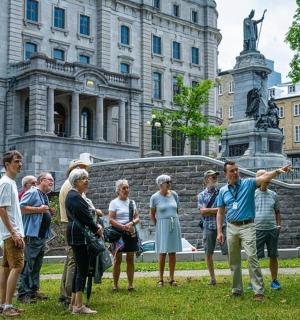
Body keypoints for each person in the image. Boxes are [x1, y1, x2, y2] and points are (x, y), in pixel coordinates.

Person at [216, 161, 291, 301]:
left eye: (237, 170)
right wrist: (220, 231)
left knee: (252, 257)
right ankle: (237, 289)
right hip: (231, 227)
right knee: (234, 260)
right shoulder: (222, 191)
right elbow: (220, 212)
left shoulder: (248, 183)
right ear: (226, 174)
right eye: (232, 171)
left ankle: (258, 291)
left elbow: (264, 178)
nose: (235, 173)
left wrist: (279, 171)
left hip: (248, 226)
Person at [65, 168, 102, 315]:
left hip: (76, 233)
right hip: (79, 235)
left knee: (79, 269)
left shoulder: (74, 195)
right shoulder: (75, 196)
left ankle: (73, 303)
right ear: (75, 181)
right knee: (83, 269)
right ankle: (79, 306)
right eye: (82, 178)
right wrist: (97, 228)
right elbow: (86, 217)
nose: (86, 181)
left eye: (87, 178)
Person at [17, 172, 55, 303]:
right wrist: (39, 209)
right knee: (28, 264)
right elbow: (20, 208)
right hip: (31, 236)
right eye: (49, 179)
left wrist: (47, 211)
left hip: (41, 236)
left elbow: (41, 211)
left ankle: (33, 291)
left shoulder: (43, 195)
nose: (52, 182)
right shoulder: (33, 192)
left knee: (37, 265)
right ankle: (23, 294)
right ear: (41, 181)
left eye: (52, 180)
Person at [58, 159, 90, 307]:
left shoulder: (71, 188)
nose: (85, 176)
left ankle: (66, 293)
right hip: (72, 225)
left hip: (69, 224)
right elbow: (80, 211)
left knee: (71, 260)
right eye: (82, 171)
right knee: (73, 261)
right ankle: (70, 295)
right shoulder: (71, 189)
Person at [0, 150, 25, 317]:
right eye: (16, 161)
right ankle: (8, 306)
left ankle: (3, 304)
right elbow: (1, 209)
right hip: (11, 234)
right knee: (17, 266)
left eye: (20, 161)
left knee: (7, 268)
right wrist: (14, 233)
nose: (19, 164)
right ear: (7, 164)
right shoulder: (6, 183)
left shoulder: (11, 182)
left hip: (10, 233)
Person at [150, 175, 182, 287]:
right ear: (160, 184)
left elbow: (176, 209)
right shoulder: (154, 197)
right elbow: (152, 214)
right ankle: (160, 279)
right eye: (167, 182)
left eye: (170, 182)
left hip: (173, 223)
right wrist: (158, 225)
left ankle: (172, 278)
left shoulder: (174, 195)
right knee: (162, 252)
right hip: (162, 225)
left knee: (172, 252)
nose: (169, 184)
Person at [108, 179, 140, 292]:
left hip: (130, 233)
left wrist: (132, 223)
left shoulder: (132, 203)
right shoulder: (114, 203)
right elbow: (110, 219)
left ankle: (130, 285)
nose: (126, 190)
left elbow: (137, 218)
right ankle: (115, 285)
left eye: (127, 187)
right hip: (118, 234)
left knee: (130, 259)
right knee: (117, 259)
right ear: (118, 190)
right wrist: (122, 226)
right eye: (124, 188)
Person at [197, 170, 227, 285]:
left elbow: (227, 209)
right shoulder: (201, 195)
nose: (215, 179)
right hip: (208, 226)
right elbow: (203, 212)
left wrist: (211, 211)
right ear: (206, 180)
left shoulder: (222, 192)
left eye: (215, 177)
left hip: (223, 225)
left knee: (229, 250)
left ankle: (234, 275)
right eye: (212, 177)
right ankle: (213, 278)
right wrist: (219, 210)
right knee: (208, 252)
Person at [254, 169, 282, 290]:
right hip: (257, 230)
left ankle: (274, 281)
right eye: (262, 176)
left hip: (272, 230)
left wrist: (278, 225)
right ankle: (254, 281)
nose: (265, 178)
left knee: (273, 256)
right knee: (254, 257)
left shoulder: (273, 195)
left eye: (266, 176)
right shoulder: (253, 194)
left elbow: (277, 211)